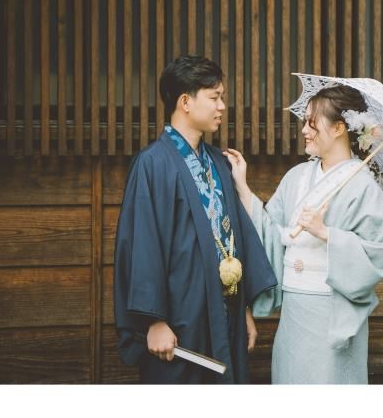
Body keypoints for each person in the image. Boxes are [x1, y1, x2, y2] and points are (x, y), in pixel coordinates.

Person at [113, 54, 277, 384]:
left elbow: (237, 238)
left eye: (222, 98)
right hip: (179, 316)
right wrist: (154, 322)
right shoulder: (153, 164)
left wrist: (244, 308)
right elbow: (141, 245)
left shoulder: (219, 162)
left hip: (224, 312)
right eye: (215, 98)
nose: (222, 107)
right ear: (185, 102)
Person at [223, 84, 383, 384]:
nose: (304, 130)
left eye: (312, 123)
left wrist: (327, 233)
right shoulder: (297, 177)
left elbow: (381, 251)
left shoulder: (363, 186)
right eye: (304, 121)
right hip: (295, 307)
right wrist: (243, 187)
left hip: (331, 310)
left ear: (339, 128)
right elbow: (269, 230)